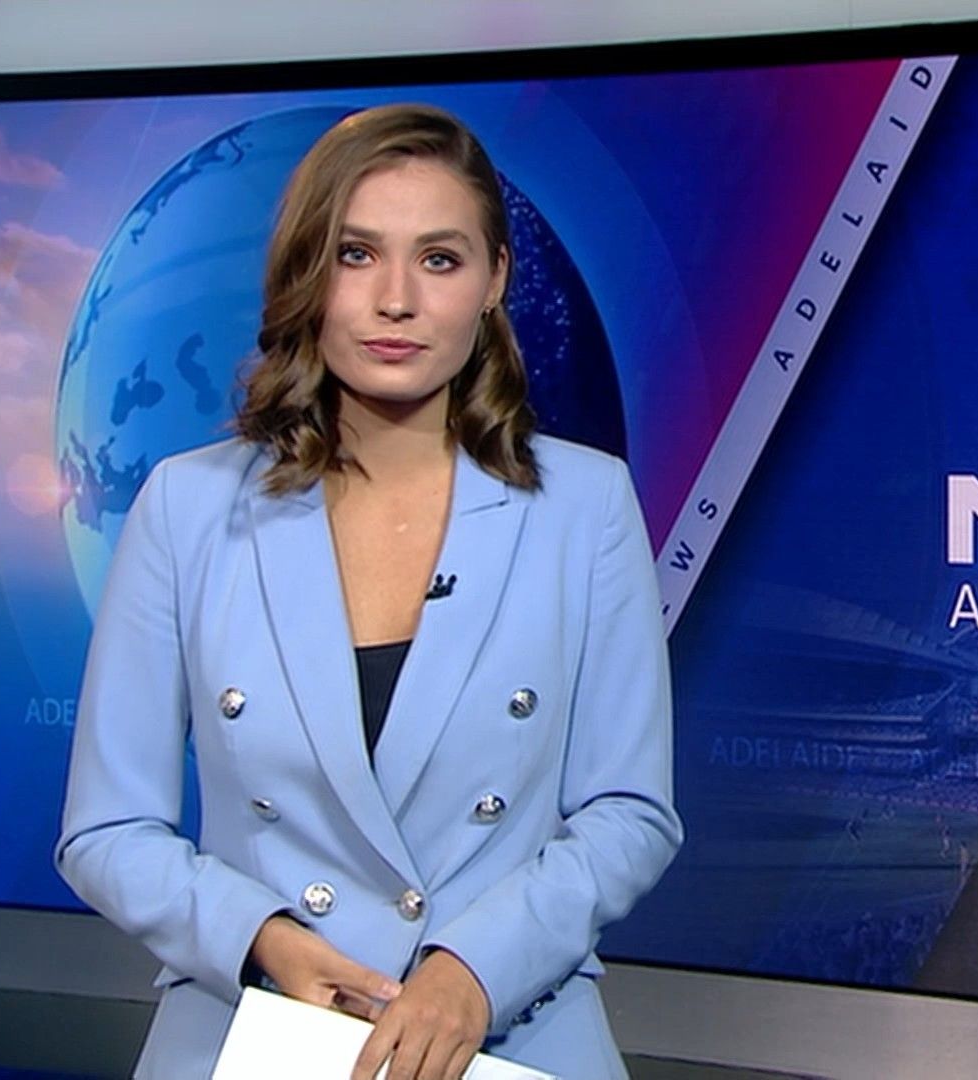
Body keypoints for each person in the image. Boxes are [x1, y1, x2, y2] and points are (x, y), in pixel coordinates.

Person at [55, 103, 682, 1080]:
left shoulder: (585, 506)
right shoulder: (186, 509)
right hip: (256, 1027)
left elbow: (630, 813)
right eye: (356, 255)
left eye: (439, 259)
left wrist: (474, 970)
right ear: (306, 273)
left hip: (511, 1033)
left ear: (494, 280)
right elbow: (107, 830)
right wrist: (263, 938)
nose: (397, 300)